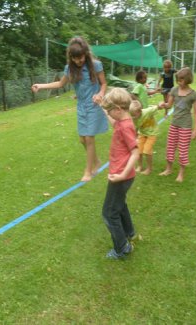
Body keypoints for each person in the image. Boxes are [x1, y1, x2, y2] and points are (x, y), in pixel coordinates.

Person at [31, 36, 108, 182]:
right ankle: (96, 161)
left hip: (94, 104)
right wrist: (41, 86)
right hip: (81, 106)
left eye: (82, 57)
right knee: (82, 140)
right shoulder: (69, 69)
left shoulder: (96, 65)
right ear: (71, 57)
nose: (79, 61)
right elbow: (60, 84)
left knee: (89, 138)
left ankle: (88, 171)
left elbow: (104, 84)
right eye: (76, 58)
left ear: (86, 53)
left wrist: (100, 94)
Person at [100, 87, 139, 259]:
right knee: (120, 205)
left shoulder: (126, 127)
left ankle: (122, 248)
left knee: (109, 213)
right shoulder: (122, 122)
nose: (110, 113)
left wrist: (122, 175)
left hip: (120, 177)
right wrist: (102, 108)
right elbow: (114, 122)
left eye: (110, 110)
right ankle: (129, 232)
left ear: (118, 109)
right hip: (122, 175)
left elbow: (136, 152)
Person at [158, 67, 196, 182]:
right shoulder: (174, 90)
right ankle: (169, 169)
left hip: (186, 126)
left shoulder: (193, 95)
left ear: (187, 79)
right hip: (174, 124)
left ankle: (181, 173)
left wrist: (195, 130)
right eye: (178, 80)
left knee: (183, 150)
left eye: (181, 80)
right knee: (170, 147)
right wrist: (163, 104)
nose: (178, 82)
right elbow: (169, 105)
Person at [129, 100, 165, 175]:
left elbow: (157, 107)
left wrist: (160, 104)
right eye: (132, 115)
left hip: (152, 134)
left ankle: (149, 169)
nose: (133, 117)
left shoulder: (147, 111)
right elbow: (135, 128)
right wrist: (134, 138)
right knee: (139, 151)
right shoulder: (133, 118)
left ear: (139, 111)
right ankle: (140, 166)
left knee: (147, 151)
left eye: (134, 115)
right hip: (142, 134)